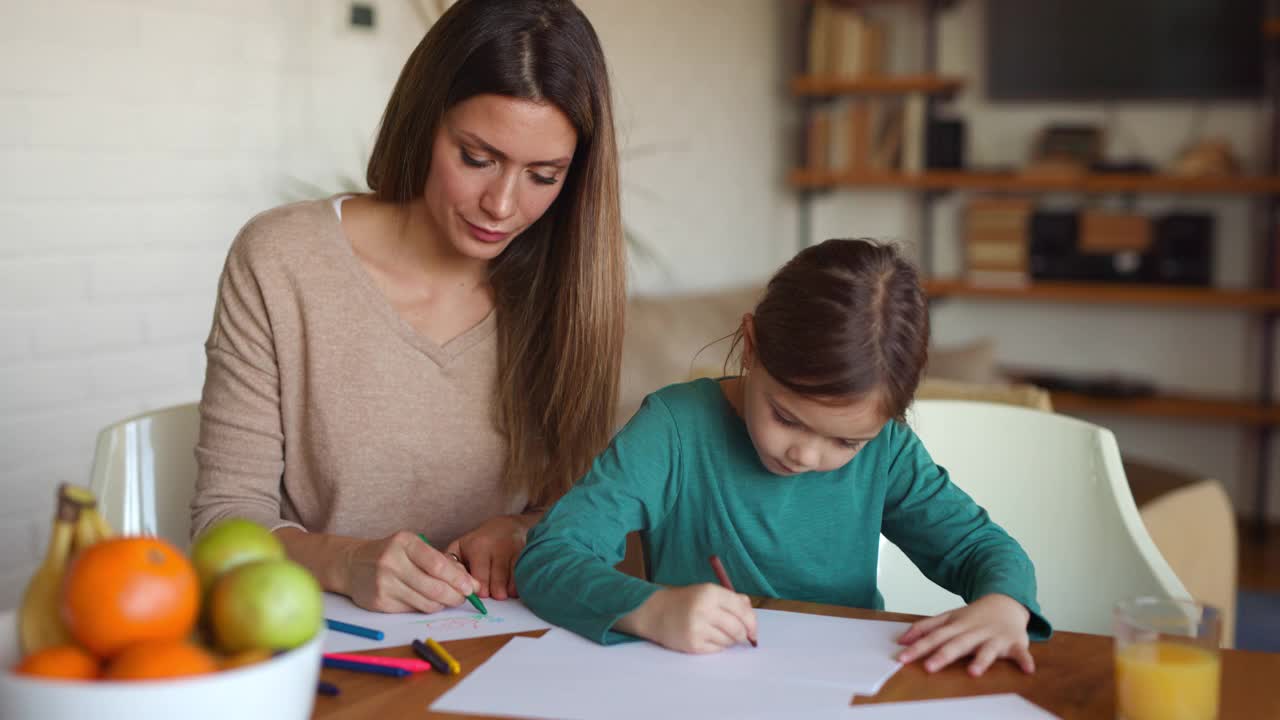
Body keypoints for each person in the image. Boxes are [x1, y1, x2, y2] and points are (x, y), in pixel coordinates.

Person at [192, 0, 625, 615]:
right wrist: (344, 560)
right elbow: (222, 525)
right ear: (425, 121)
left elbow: (584, 505)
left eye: (543, 175)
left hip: (507, 646)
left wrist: (526, 529)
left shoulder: (567, 284)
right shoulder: (282, 260)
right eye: (477, 158)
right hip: (329, 643)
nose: (502, 205)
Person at [515, 239, 1052, 676]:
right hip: (693, 687)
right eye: (787, 418)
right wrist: (651, 610)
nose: (805, 453)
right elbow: (550, 557)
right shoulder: (673, 429)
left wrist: (1005, 605)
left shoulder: (887, 450)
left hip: (846, 688)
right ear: (750, 346)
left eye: (846, 442)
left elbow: (982, 548)